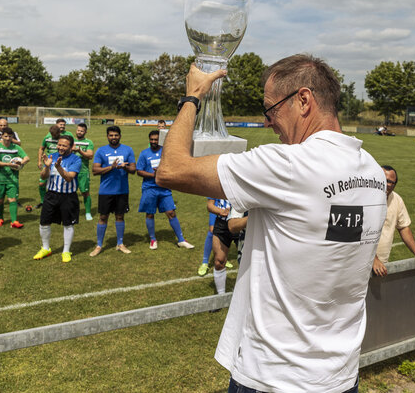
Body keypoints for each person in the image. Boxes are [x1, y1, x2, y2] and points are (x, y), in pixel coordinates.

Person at [156, 54, 387, 393]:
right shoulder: (372, 170)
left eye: (271, 109)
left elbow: (171, 170)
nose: (267, 122)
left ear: (303, 100)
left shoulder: (289, 164)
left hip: (273, 377)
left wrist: (193, 97)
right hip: (339, 377)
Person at [136, 130, 194, 250]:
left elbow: (173, 167)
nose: (153, 141)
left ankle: (181, 240)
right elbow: (139, 171)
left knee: (171, 213)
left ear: (160, 140)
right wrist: (153, 175)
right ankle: (153, 239)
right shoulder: (144, 153)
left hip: (164, 188)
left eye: (156, 139)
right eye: (151, 139)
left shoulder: (165, 153)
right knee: (150, 214)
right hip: (149, 188)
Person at [372, 165, 415, 277]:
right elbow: (356, 231)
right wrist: (373, 259)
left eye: (391, 182)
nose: (387, 184)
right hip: (361, 262)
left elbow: (403, 227)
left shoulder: (396, 199)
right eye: (384, 179)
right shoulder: (364, 198)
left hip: (381, 263)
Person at [33, 135, 81, 262]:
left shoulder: (76, 159)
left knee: (68, 224)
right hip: (51, 195)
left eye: (64, 145)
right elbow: (43, 177)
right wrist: (47, 166)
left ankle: (66, 251)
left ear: (71, 147)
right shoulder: (51, 156)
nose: (60, 147)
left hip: (68, 196)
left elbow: (69, 177)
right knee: (44, 222)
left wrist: (58, 166)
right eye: (59, 145)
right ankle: (46, 248)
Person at [90, 126, 136, 256]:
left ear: (120, 136)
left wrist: (125, 167)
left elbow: (133, 169)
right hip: (106, 191)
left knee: (120, 216)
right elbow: (95, 171)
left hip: (122, 190)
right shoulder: (101, 151)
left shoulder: (128, 150)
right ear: (107, 136)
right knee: (103, 217)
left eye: (116, 135)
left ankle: (120, 243)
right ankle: (99, 245)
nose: (113, 137)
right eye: (111, 135)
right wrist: (111, 167)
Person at [0, 127, 30, 228]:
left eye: (10, 136)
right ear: (1, 136)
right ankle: (0, 218)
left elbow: (27, 158)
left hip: (12, 179)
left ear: (12, 136)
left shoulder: (16, 148)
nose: (8, 138)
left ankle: (14, 221)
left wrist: (20, 163)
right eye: (5, 136)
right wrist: (8, 164)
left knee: (12, 199)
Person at [37, 119, 73, 208]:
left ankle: (62, 201)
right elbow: (41, 148)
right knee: (42, 183)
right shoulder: (47, 137)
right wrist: (39, 161)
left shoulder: (63, 138)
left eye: (55, 135)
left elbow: (71, 148)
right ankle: (43, 201)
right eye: (52, 135)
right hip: (49, 163)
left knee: (61, 183)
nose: (54, 136)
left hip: (61, 163)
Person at [198, 198, 232, 276]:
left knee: (230, 229)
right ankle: (205, 262)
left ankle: (223, 257)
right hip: (217, 204)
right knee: (212, 230)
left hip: (230, 205)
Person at [72, 123, 95, 221]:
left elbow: (90, 156)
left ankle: (88, 213)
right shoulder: (71, 141)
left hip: (83, 171)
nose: (79, 132)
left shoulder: (89, 142)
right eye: (78, 130)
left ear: (85, 132)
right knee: (70, 193)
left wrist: (79, 150)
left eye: (82, 131)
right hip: (71, 170)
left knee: (85, 192)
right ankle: (71, 212)